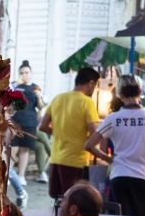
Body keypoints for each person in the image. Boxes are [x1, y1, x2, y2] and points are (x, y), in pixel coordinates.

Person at [84, 79, 145, 216]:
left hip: (119, 174)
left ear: (120, 95)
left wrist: (109, 159)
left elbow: (89, 145)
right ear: (140, 93)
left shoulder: (113, 118)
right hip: (142, 175)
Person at [40, 67, 101, 204]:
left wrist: (59, 131)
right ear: (90, 83)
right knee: (75, 201)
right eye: (95, 85)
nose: (94, 89)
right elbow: (94, 132)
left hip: (56, 159)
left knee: (58, 200)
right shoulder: (87, 102)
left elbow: (42, 126)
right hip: (76, 161)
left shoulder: (58, 98)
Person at [12, 61, 50, 182]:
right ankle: (8, 173)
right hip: (15, 121)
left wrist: (39, 96)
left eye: (26, 72)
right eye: (21, 73)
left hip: (29, 122)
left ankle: (21, 176)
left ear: (31, 74)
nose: (24, 75)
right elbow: (5, 94)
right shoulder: (15, 85)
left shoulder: (35, 87)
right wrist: (16, 83)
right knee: (12, 148)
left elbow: (39, 107)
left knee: (25, 149)